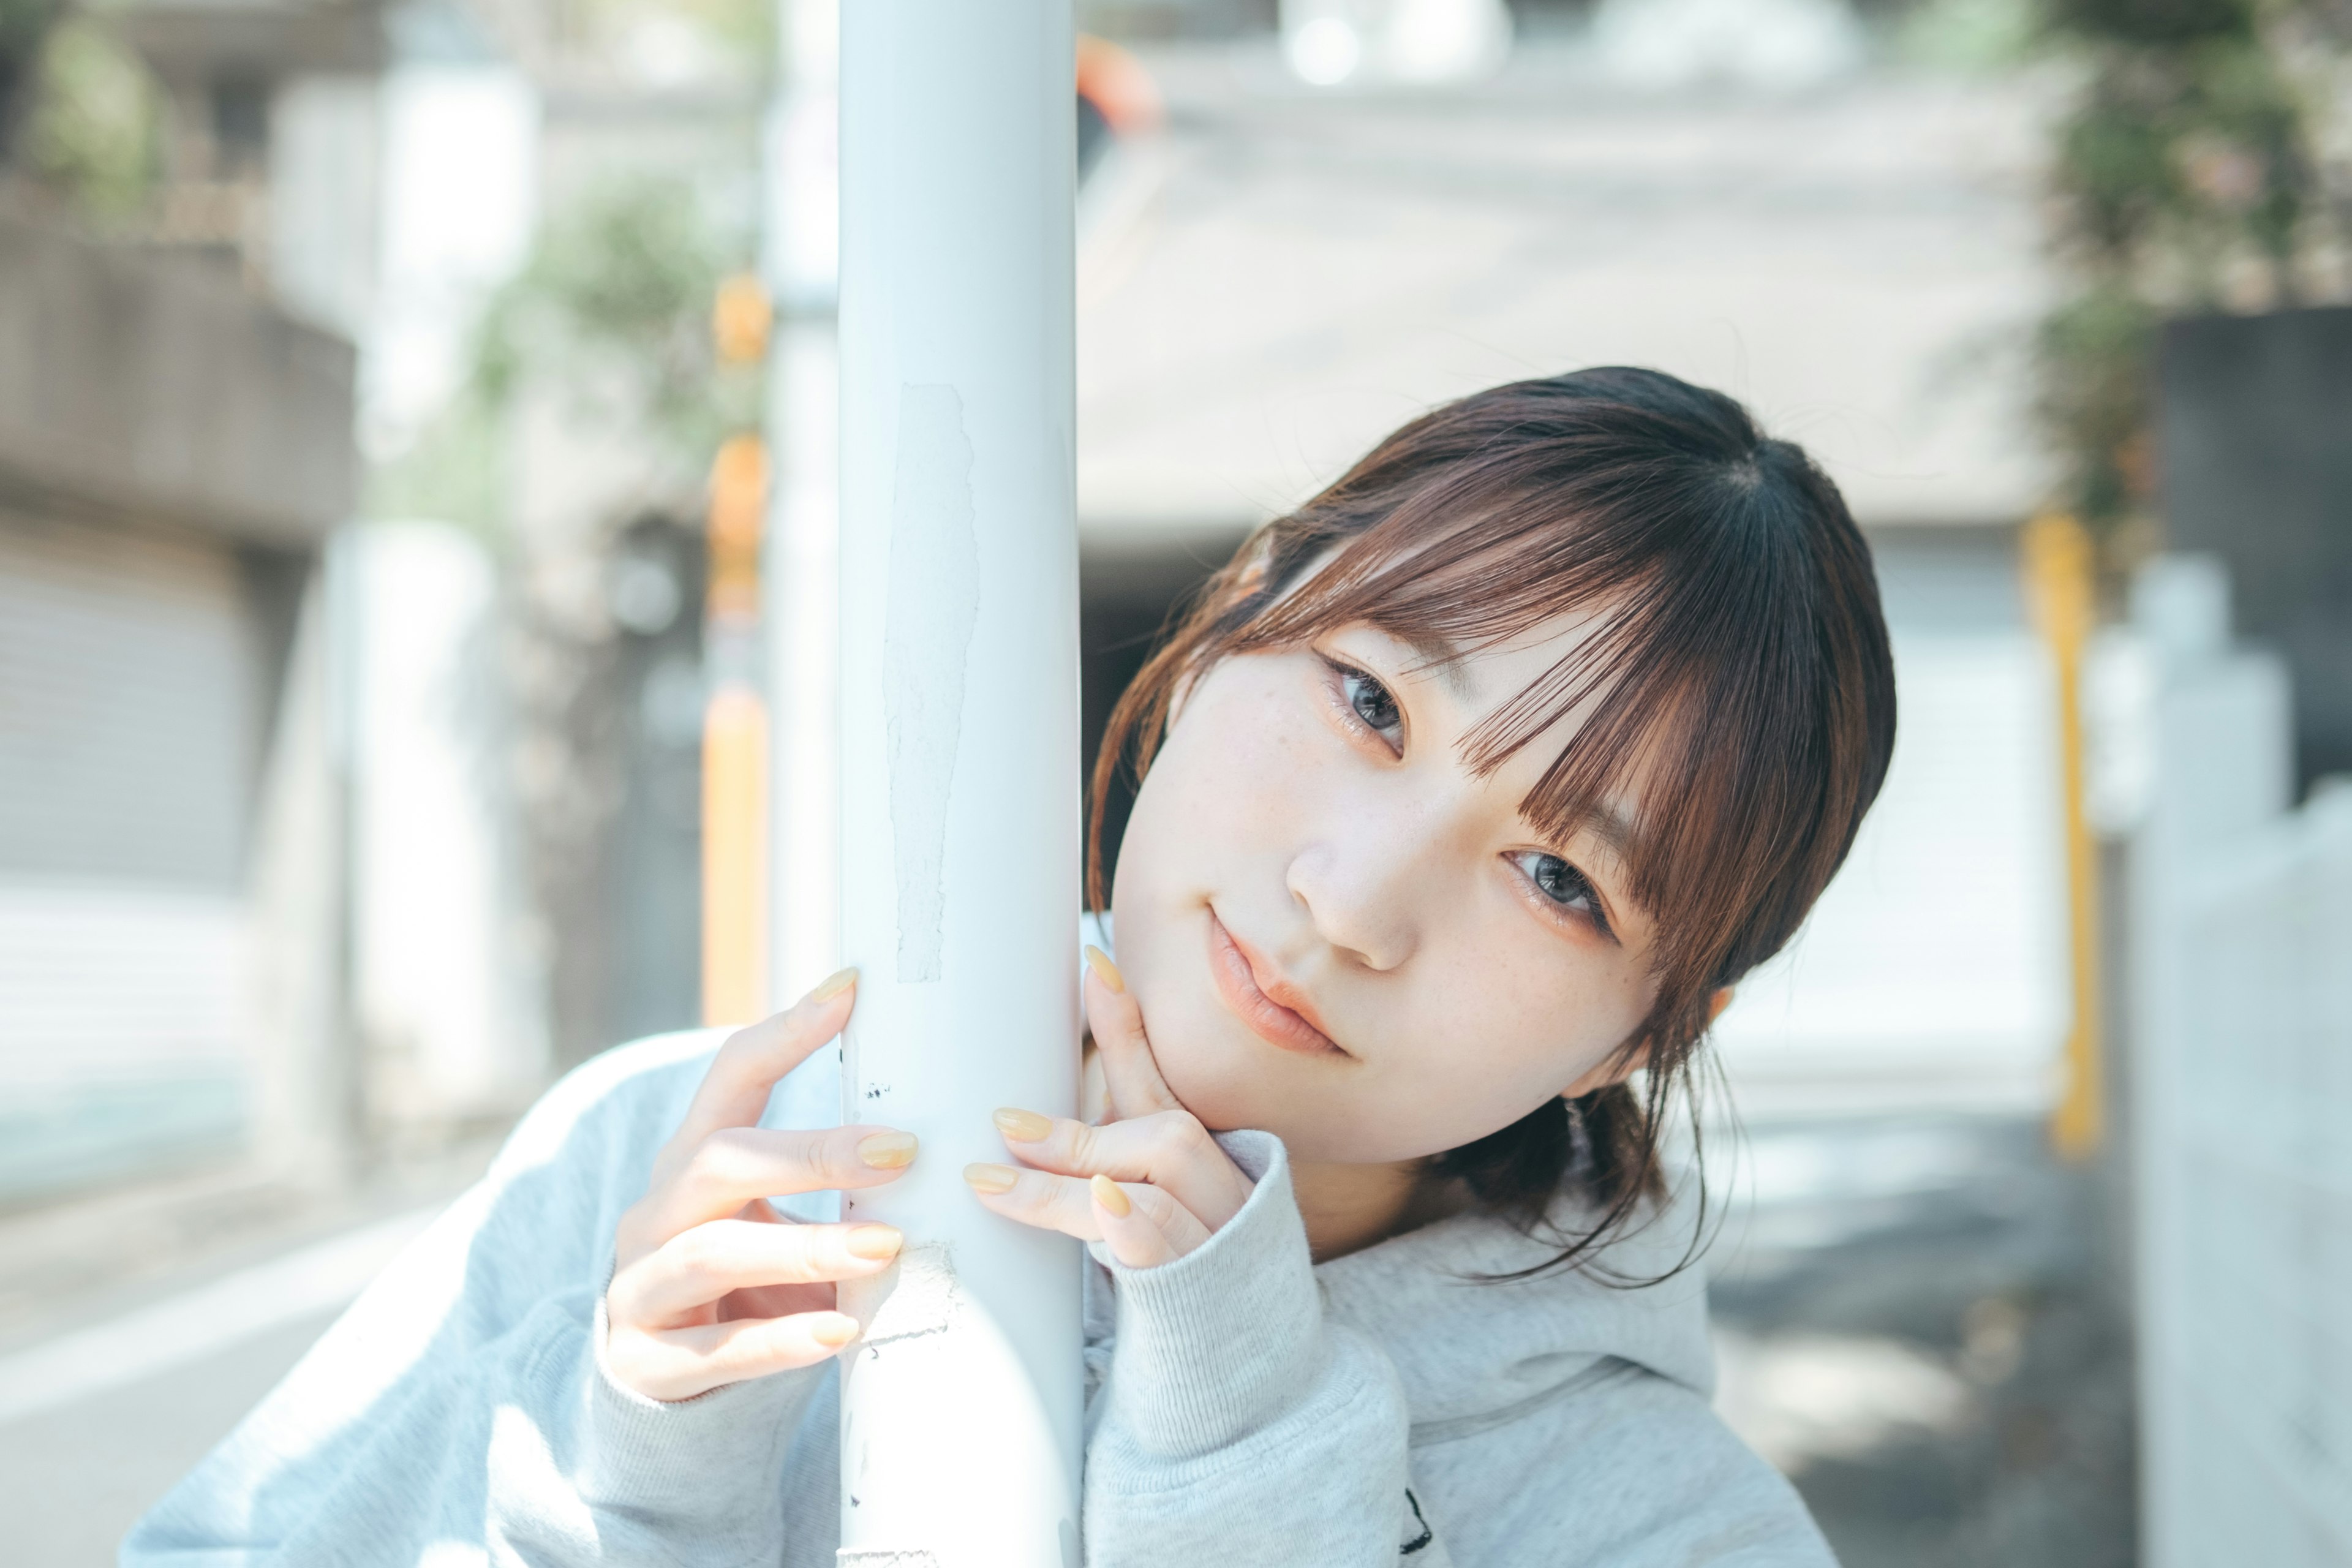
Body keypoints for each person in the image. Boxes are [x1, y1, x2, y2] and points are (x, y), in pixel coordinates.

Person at [126, 367, 1896, 1567]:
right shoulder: (671, 1163)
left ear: (1652, 1035)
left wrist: (1253, 1445)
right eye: (1369, 699)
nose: (1350, 900)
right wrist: (643, 1486)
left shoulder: (1657, 1526)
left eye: (1554, 876)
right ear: (1235, 619)